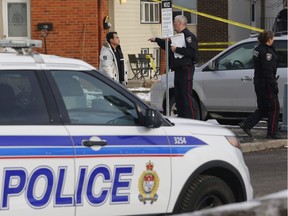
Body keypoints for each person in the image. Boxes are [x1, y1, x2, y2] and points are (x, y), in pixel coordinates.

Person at [148, 15, 198, 119]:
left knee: (185, 95)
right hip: (178, 69)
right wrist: (156, 40)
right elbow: (168, 45)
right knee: (178, 95)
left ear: (179, 23)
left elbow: (193, 53)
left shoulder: (188, 36)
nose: (173, 23)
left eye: (174, 22)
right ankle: (182, 116)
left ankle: (191, 118)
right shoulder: (178, 36)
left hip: (186, 68)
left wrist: (177, 49)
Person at [239, 30, 282, 139]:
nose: (274, 40)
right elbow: (268, 70)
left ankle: (247, 124)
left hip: (258, 82)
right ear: (269, 39)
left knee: (263, 107)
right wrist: (273, 85)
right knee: (274, 107)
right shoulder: (267, 52)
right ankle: (273, 132)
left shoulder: (257, 49)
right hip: (266, 83)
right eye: (273, 38)